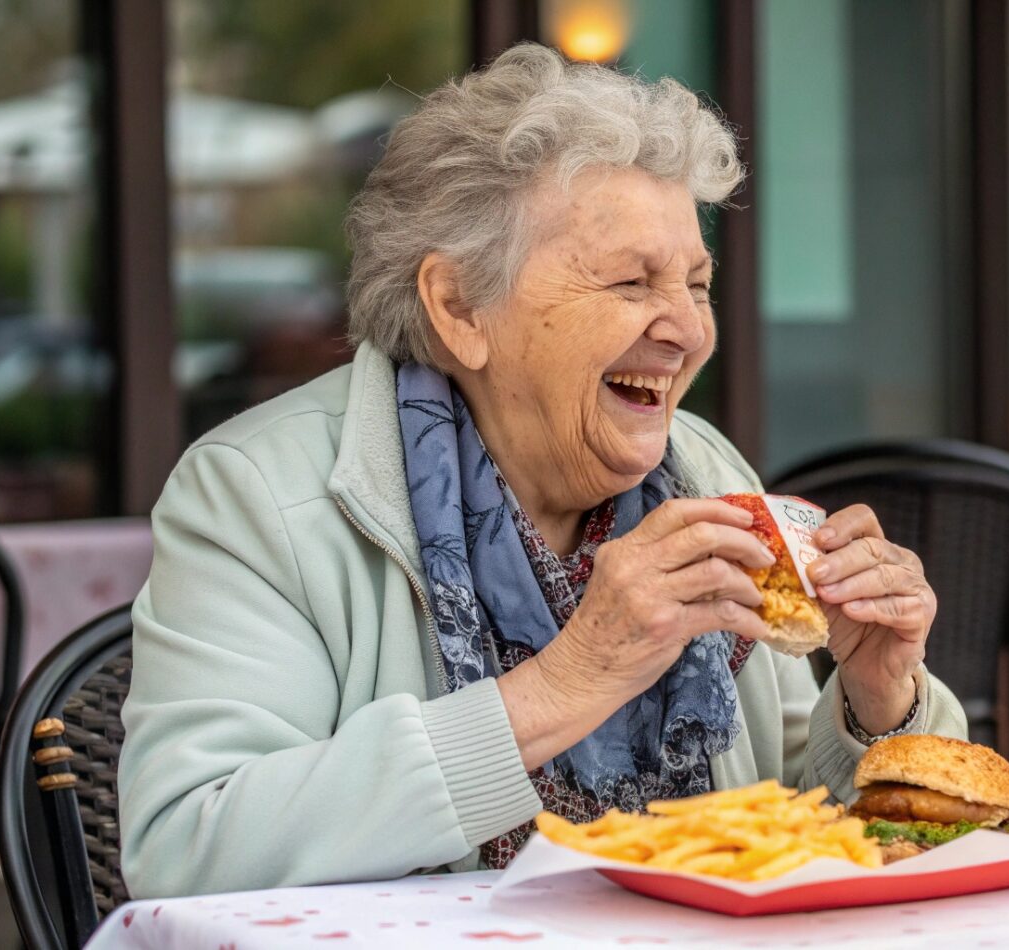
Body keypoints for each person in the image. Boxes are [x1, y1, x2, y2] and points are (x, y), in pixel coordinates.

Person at [119, 43, 965, 898]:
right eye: (633, 282)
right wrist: (570, 680)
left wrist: (875, 701)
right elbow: (187, 846)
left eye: (698, 284)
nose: (686, 331)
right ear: (458, 308)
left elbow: (797, 816)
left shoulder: (702, 470)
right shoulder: (256, 494)